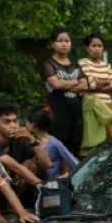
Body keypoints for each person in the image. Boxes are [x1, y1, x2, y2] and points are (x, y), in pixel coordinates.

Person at [0, 104, 51, 207]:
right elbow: (15, 167)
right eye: (7, 122)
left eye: (15, 121)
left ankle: (11, 206)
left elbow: (47, 164)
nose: (13, 126)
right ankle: (6, 207)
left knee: (31, 164)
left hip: (13, 187)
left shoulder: (19, 140)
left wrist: (31, 139)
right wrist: (44, 186)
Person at [42, 27, 88, 156]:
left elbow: (85, 86)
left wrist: (65, 84)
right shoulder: (48, 63)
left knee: (74, 147)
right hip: (57, 112)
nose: (63, 44)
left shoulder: (75, 64)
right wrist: (74, 81)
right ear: (52, 43)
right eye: (59, 40)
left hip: (75, 114)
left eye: (67, 41)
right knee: (58, 146)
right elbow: (56, 84)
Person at [25, 105, 78, 180]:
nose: (25, 124)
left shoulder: (54, 143)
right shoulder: (28, 141)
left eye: (27, 122)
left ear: (34, 125)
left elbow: (73, 162)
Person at [78, 32, 112, 113]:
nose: (97, 49)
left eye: (100, 46)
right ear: (87, 48)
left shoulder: (107, 66)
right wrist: (107, 82)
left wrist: (96, 84)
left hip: (108, 106)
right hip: (91, 106)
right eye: (94, 46)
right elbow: (89, 84)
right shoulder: (83, 63)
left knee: (110, 125)